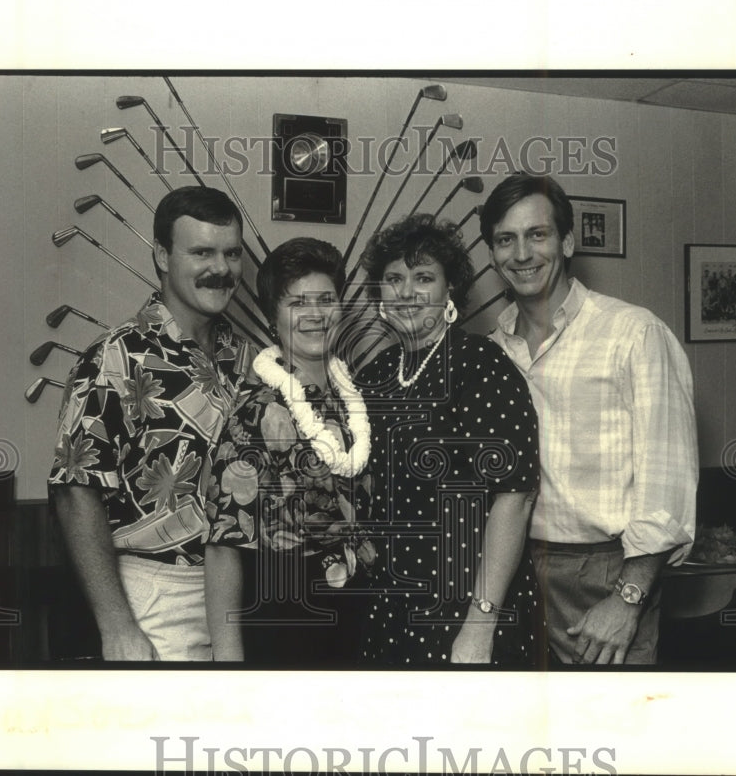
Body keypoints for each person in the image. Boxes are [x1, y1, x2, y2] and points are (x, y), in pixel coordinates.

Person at [480, 173, 698, 665]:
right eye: (505, 240)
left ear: (568, 241)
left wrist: (627, 599)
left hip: (606, 574)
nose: (522, 254)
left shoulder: (634, 333)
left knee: (606, 733)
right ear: (492, 256)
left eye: (537, 235)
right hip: (510, 570)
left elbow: (667, 483)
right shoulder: (492, 352)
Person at [48, 186, 255, 661]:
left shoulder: (245, 359)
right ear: (162, 255)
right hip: (156, 597)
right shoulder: (116, 358)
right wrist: (118, 626)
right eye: (201, 251)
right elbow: (75, 491)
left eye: (231, 253)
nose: (220, 268)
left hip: (238, 594)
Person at [355, 214, 541, 666]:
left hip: (468, 603)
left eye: (424, 278)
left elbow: (515, 498)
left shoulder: (480, 364)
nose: (406, 292)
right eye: (394, 278)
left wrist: (479, 626)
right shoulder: (376, 374)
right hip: (391, 602)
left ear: (448, 290)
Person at [204, 237, 377, 666]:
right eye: (297, 303)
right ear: (272, 317)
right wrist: (228, 661)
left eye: (325, 299)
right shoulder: (256, 410)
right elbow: (224, 543)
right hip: (285, 612)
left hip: (362, 607)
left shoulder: (355, 396)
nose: (315, 314)